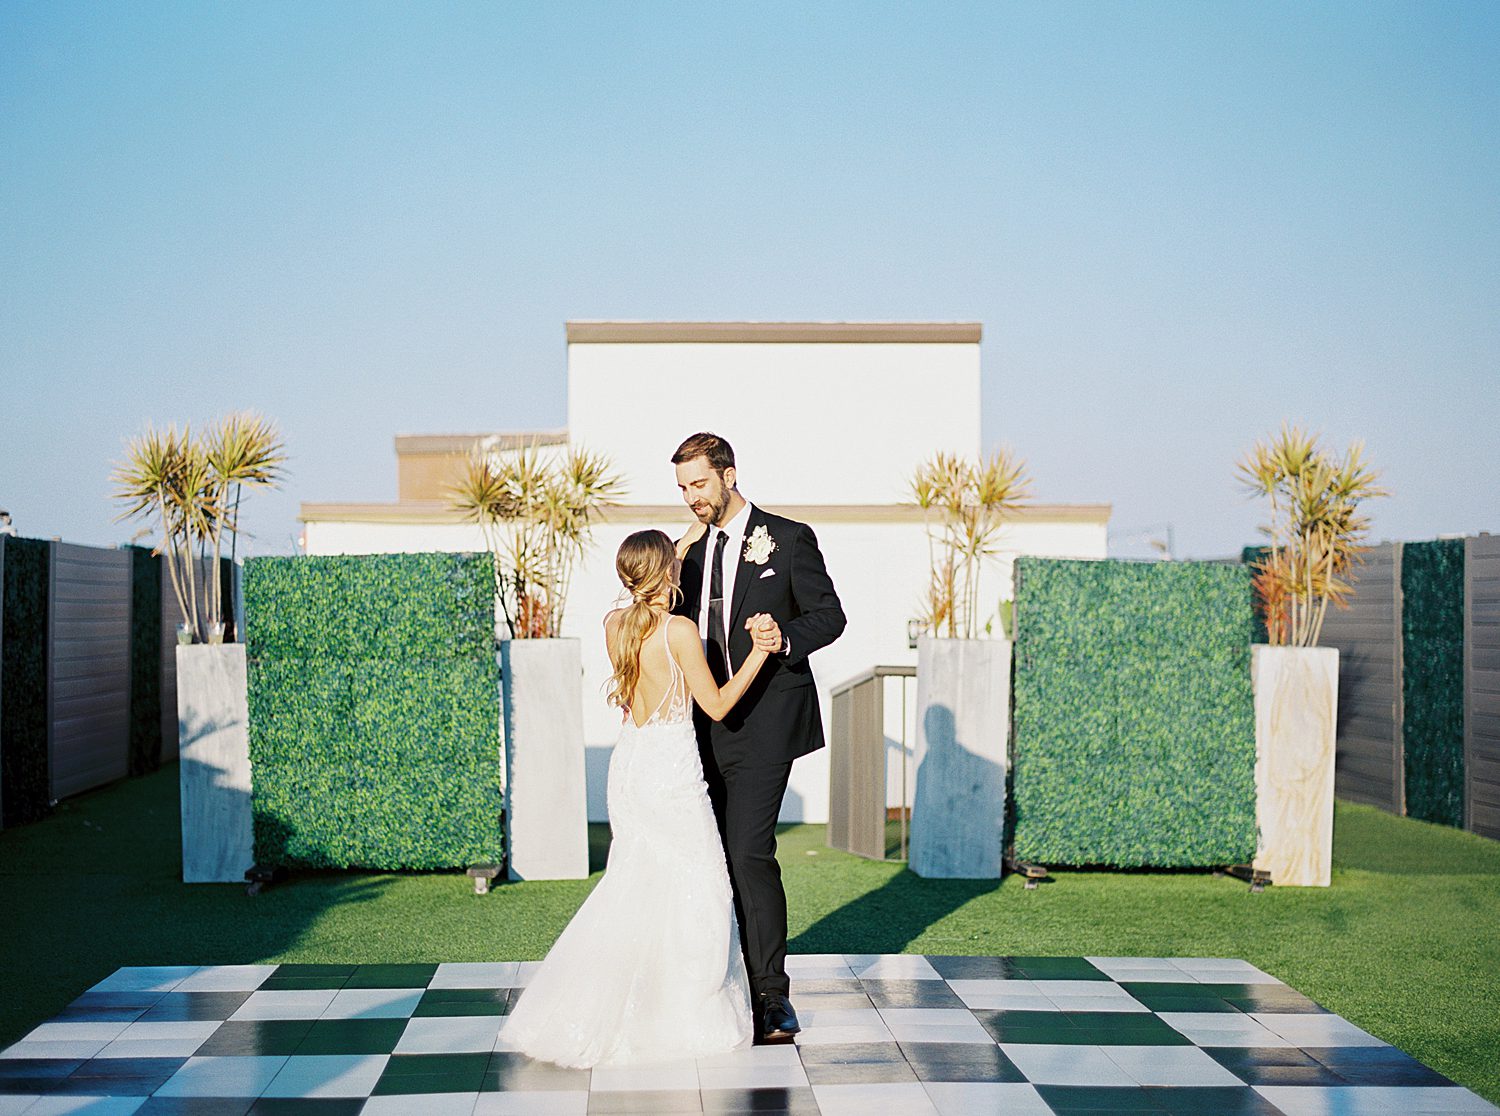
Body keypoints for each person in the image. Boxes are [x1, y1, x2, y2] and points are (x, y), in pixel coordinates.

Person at [503, 528, 782, 1067]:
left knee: (636, 884)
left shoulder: (614, 625)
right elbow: (718, 705)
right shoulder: (679, 630)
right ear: (667, 572)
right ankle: (681, 1017)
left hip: (629, 767)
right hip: (670, 774)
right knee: (702, 888)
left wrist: (675, 546)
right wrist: (759, 655)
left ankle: (616, 1006)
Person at [670, 432, 847, 1043]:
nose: (692, 497)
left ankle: (772, 996)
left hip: (769, 718)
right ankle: (721, 981)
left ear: (729, 474)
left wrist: (784, 636)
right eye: (683, 488)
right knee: (713, 856)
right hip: (700, 722)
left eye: (698, 484)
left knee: (749, 850)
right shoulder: (686, 553)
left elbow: (831, 615)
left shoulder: (790, 538)